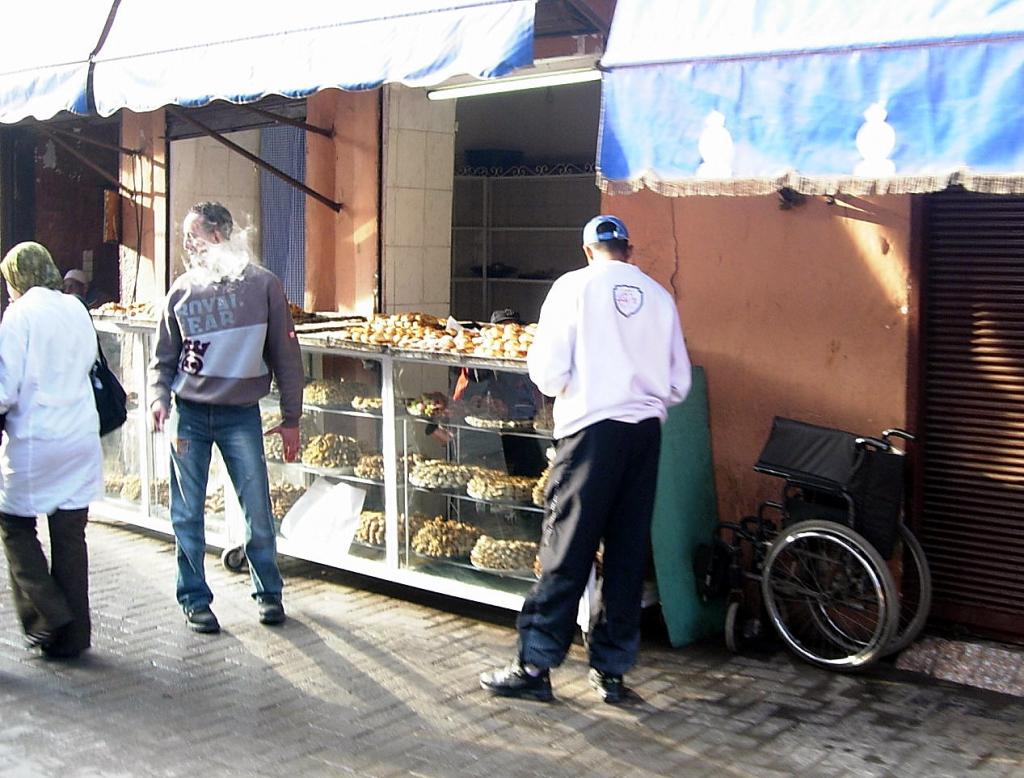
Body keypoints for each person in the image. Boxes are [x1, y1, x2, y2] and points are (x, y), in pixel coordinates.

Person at [480, 215, 692, 704]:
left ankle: (535, 664)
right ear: (629, 251)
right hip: (644, 436)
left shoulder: (573, 288)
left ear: (587, 250)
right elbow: (679, 383)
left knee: (567, 547)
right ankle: (611, 671)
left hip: (591, 433)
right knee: (625, 553)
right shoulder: (659, 297)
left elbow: (549, 373)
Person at [149, 202, 304, 634]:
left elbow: (286, 356)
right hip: (188, 416)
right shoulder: (180, 291)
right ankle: (195, 600)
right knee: (187, 513)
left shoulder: (263, 286)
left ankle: (269, 594)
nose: (187, 245)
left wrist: (292, 417)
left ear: (218, 235)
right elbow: (162, 360)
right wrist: (159, 398)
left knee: (256, 507)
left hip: (241, 415)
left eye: (193, 235)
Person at [0, 242, 103, 659]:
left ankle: (48, 612)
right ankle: (74, 638)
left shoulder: (19, 317)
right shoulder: (75, 308)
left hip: (36, 438)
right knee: (69, 535)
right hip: (79, 436)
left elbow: (5, 386)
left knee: (14, 525)